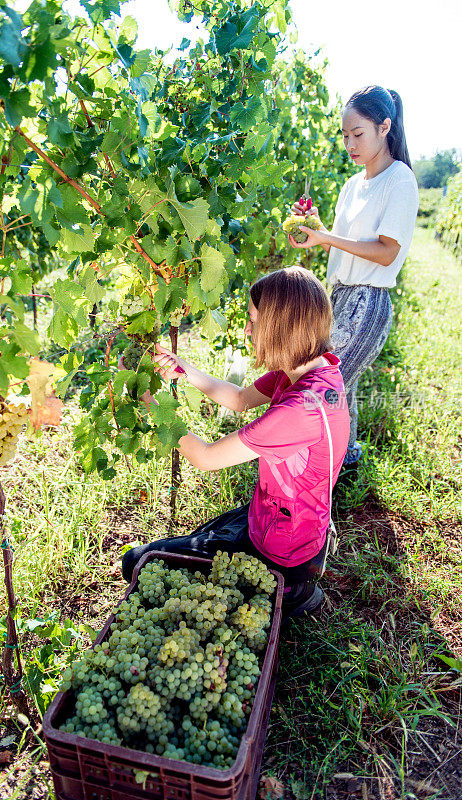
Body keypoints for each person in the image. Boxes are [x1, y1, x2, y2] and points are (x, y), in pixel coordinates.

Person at [121, 267, 350, 618]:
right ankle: (289, 583)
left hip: (282, 549)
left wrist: (152, 403)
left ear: (280, 326)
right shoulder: (312, 371)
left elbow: (205, 457)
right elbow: (240, 399)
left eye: (253, 321)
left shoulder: (297, 413)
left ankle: (290, 591)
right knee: (200, 538)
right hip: (286, 520)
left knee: (138, 563)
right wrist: (182, 367)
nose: (247, 329)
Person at [288, 85, 419, 475]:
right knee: (342, 388)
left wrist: (327, 236)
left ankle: (319, 468)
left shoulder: (400, 180)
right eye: (344, 135)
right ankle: (344, 462)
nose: (349, 143)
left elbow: (385, 251)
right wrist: (313, 229)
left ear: (384, 128)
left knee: (323, 383)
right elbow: (342, 247)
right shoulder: (351, 186)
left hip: (368, 303)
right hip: (340, 296)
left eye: (357, 134)